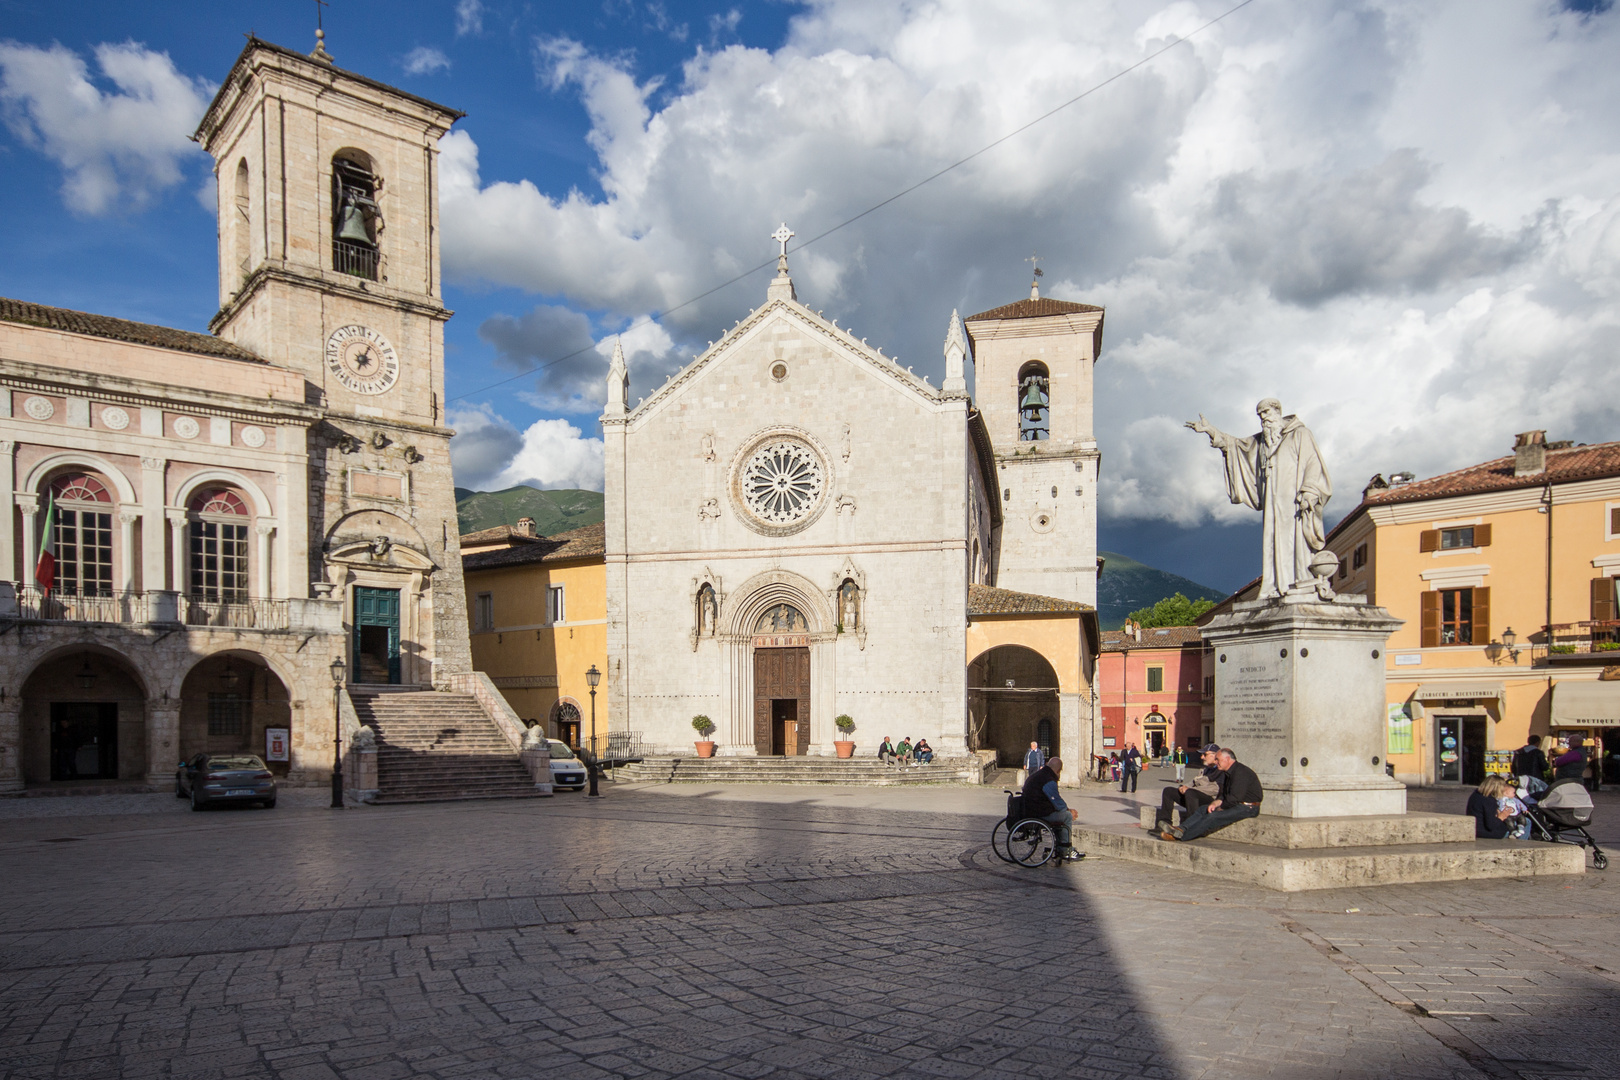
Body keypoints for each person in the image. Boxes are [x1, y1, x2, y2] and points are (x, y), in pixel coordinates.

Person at [1161, 748, 1262, 841]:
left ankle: (1181, 837)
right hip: (1238, 803)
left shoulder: (1240, 772)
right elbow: (1225, 794)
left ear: (1227, 759)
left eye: (1218, 760)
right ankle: (1181, 829)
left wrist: (1221, 807)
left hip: (1248, 807)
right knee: (1202, 809)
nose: (1216, 762)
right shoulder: (1229, 772)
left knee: (1212, 817)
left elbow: (1235, 798)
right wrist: (1215, 803)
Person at [1019, 756, 1085, 863]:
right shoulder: (1048, 780)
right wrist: (1069, 811)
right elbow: (1057, 801)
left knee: (1060, 815)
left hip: (1030, 810)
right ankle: (1065, 849)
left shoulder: (1038, 775)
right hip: (1038, 814)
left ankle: (1060, 846)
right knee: (1066, 816)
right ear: (1058, 770)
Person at [1154, 743, 1221, 832]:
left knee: (1190, 793)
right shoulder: (1205, 769)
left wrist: (1190, 789)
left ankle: (1190, 826)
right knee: (1168, 791)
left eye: (1205, 754)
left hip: (1209, 801)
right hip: (1193, 797)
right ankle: (1165, 823)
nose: (1202, 757)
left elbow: (1215, 789)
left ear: (1215, 755)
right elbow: (1193, 782)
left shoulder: (1220, 770)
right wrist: (1183, 787)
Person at [1466, 774, 1515, 839]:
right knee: (1517, 828)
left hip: (1475, 828)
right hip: (1484, 831)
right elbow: (1491, 825)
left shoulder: (1476, 794)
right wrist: (1502, 816)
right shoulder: (1489, 800)